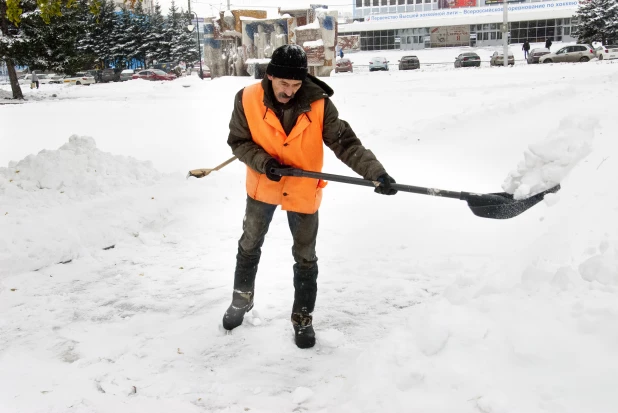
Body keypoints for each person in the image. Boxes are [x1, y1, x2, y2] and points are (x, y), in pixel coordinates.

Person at [223, 44, 397, 349]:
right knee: (249, 244)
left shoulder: (319, 104)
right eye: (283, 84)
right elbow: (238, 141)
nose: (289, 91)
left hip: (303, 189)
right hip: (264, 184)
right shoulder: (247, 98)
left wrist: (376, 173)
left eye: (296, 85)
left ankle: (302, 317)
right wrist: (266, 163)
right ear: (270, 76)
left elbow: (346, 144)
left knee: (305, 256)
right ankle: (241, 300)